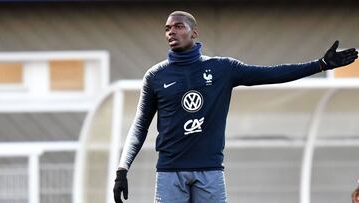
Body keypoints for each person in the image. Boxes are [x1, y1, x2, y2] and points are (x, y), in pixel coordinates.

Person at [113, 11, 358, 203]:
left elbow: (271, 74)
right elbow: (139, 126)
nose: (171, 32)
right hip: (169, 173)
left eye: (178, 26)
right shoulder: (155, 76)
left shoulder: (223, 68)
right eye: (167, 28)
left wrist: (320, 65)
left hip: (210, 171)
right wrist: (122, 170)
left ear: (194, 32)